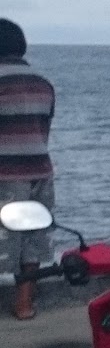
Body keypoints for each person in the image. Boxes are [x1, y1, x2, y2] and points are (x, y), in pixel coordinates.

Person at [0, 19, 56, 320]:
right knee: (33, 235)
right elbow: (44, 129)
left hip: (5, 173)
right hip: (40, 171)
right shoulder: (43, 84)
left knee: (4, 239)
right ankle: (24, 305)